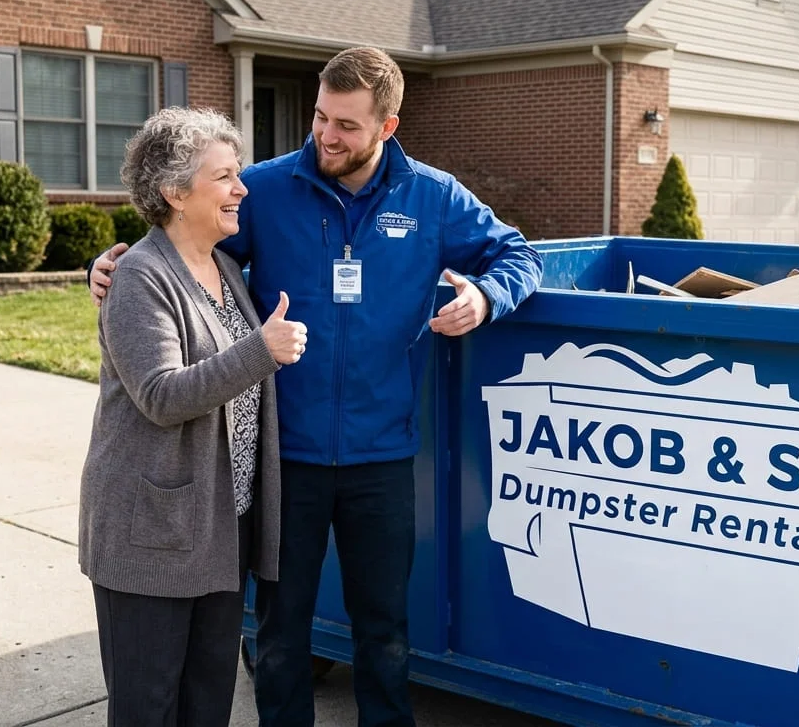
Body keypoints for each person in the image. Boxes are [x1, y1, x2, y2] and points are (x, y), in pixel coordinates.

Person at [90, 47, 542, 726]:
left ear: (388, 127)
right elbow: (185, 253)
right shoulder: (264, 190)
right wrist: (111, 262)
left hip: (381, 457)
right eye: (320, 117)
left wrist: (485, 297)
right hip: (284, 461)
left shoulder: (433, 197)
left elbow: (519, 254)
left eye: (348, 126)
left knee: (384, 631)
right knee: (278, 634)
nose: (327, 135)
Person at [78, 106, 308, 726]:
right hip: (151, 532)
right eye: (225, 177)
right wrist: (262, 351)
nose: (241, 189)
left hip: (220, 528)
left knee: (208, 701)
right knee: (149, 706)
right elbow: (161, 394)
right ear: (175, 193)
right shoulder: (139, 278)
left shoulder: (227, 268)